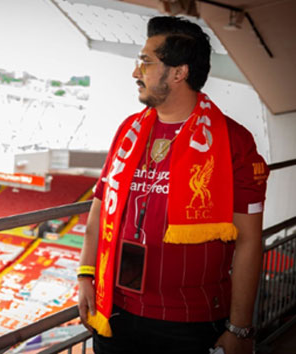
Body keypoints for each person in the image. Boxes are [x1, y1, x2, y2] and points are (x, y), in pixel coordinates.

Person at [77, 16, 269, 354]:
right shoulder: (129, 131)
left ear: (179, 72)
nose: (136, 73)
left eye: (146, 62)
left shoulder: (233, 141)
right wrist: (85, 275)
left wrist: (240, 329)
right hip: (116, 310)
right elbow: (99, 207)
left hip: (190, 323)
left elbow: (250, 240)